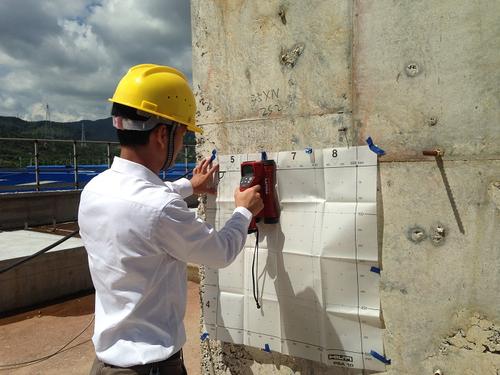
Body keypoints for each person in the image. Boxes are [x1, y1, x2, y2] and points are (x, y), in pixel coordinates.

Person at [78, 64, 263, 375]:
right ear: (163, 134)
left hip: (105, 366)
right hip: (152, 368)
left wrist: (190, 185)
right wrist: (244, 210)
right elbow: (220, 252)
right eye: (183, 134)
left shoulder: (95, 190)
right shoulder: (159, 208)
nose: (182, 145)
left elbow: (144, 199)